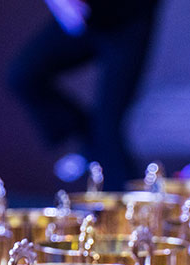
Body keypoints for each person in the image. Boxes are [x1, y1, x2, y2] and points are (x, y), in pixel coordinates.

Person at [10, 0, 160, 190]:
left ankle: (126, 201)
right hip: (85, 18)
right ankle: (89, 142)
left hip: (128, 23)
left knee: (107, 128)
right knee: (23, 76)